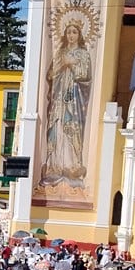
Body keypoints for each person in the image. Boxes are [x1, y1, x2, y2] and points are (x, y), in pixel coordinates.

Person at [40, 20, 91, 188]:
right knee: (57, 126)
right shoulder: (60, 52)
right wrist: (63, 64)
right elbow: (50, 75)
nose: (71, 35)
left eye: (74, 32)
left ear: (80, 35)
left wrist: (73, 67)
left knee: (71, 127)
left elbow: (85, 76)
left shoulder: (84, 54)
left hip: (74, 97)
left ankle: (72, 165)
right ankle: (54, 165)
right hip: (59, 95)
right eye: (68, 32)